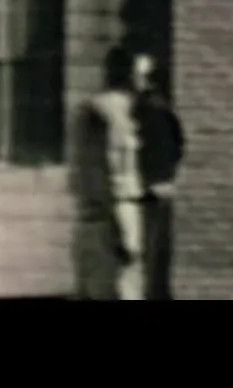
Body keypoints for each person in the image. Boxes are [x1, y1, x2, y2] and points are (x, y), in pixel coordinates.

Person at [85, 45, 145, 300]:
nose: (144, 83)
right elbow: (112, 165)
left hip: (121, 201)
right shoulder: (111, 110)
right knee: (126, 271)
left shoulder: (127, 109)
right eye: (140, 75)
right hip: (119, 202)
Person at [133, 54, 185, 301]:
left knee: (149, 253)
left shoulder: (144, 109)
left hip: (148, 188)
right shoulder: (163, 109)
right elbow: (178, 145)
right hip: (161, 186)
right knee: (158, 255)